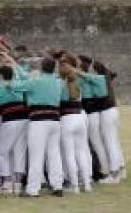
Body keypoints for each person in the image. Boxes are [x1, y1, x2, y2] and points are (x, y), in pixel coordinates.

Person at [18, 57, 66, 197]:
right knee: (54, 154)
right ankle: (57, 186)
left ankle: (32, 189)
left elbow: (17, 86)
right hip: (55, 120)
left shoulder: (35, 82)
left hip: (38, 121)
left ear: (42, 68)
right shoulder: (58, 82)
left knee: (36, 155)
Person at [58, 55, 93, 194]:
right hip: (79, 117)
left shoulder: (60, 83)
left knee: (69, 154)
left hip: (67, 119)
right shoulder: (78, 80)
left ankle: (75, 185)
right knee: (81, 152)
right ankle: (87, 184)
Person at [0, 64, 28, 195]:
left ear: (1, 75)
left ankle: (7, 184)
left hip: (10, 119)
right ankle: (18, 184)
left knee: (2, 151)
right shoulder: (18, 83)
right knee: (20, 151)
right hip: (24, 118)